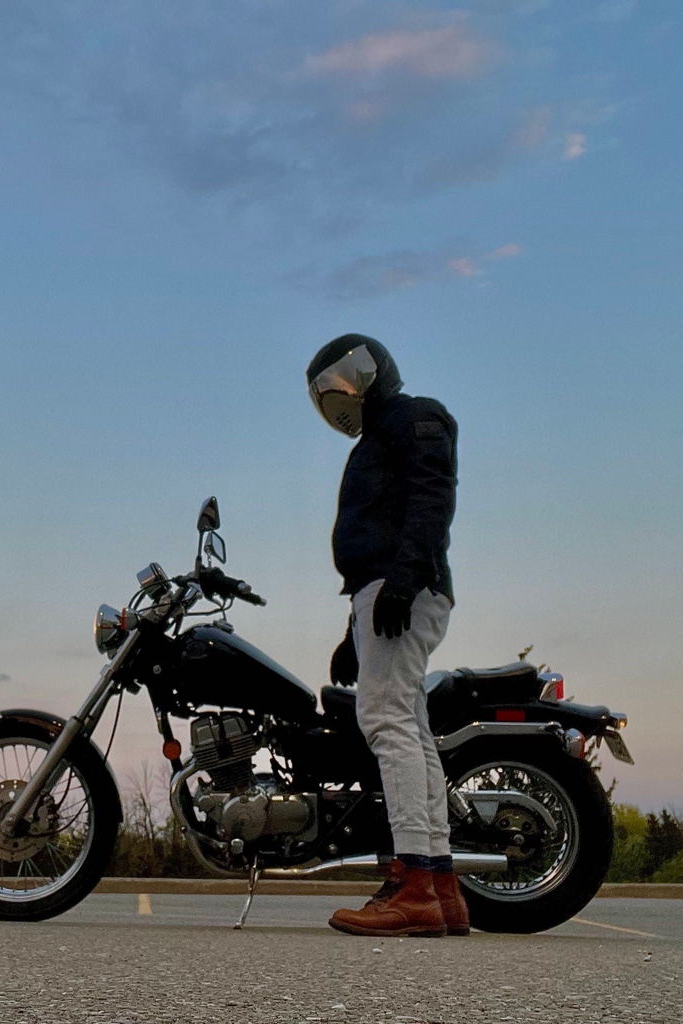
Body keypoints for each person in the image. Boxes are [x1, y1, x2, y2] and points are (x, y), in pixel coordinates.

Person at [305, 333, 470, 938]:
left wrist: (403, 577)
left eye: (338, 383)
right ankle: (442, 887)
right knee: (411, 725)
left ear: (365, 371)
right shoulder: (379, 436)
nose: (335, 398)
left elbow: (433, 495)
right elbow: (383, 523)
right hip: (385, 591)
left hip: (405, 584)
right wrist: (355, 629)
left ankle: (413, 884)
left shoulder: (416, 415)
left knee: (387, 721)